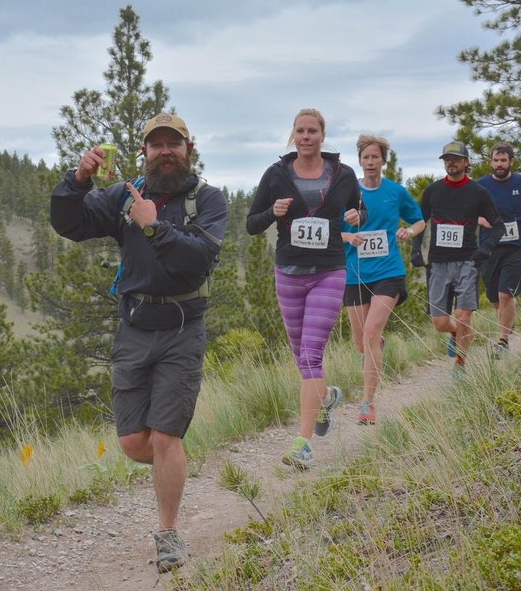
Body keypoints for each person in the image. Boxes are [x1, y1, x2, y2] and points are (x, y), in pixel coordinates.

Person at [50, 113, 228, 572]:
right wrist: (79, 178)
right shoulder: (124, 195)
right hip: (134, 326)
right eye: (156, 144)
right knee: (133, 443)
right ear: (144, 152)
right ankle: (175, 461)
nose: (165, 151)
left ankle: (168, 535)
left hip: (183, 328)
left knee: (166, 436)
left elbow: (200, 259)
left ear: (189, 149)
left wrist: (152, 227)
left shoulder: (208, 199)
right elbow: (68, 223)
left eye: (174, 143)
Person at [246, 108, 366, 469]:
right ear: (293, 135)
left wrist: (357, 216)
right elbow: (252, 223)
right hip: (288, 272)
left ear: (322, 135)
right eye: (300, 131)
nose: (306, 136)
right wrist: (274, 212)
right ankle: (327, 397)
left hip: (329, 271)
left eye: (312, 131)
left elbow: (361, 211)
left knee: (312, 355)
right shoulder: (276, 174)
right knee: (302, 357)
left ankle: (303, 444)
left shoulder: (343, 175)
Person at [341, 135, 424, 425]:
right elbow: (331, 232)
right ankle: (375, 346)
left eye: (376, 157)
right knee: (361, 342)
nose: (371, 162)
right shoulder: (349, 194)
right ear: (360, 161)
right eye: (366, 158)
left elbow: (419, 220)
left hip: (389, 272)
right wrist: (348, 235)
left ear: (383, 161)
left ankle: (367, 404)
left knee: (371, 334)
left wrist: (409, 232)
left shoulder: (396, 192)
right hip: (356, 274)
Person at [417, 141, 505, 374]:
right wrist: (416, 250)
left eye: (456, 159)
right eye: (447, 159)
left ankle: (460, 365)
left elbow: (498, 226)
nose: (451, 163)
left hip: (468, 261)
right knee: (440, 323)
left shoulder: (478, 192)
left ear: (466, 162)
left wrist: (485, 249)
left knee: (464, 315)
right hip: (438, 262)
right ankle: (454, 333)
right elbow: (419, 221)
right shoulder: (433, 191)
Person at [476, 142, 521, 357]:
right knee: (494, 297)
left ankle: (503, 341)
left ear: (511, 162)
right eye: (496, 160)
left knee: (506, 293)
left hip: (517, 246)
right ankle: (508, 319)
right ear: (490, 162)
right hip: (489, 246)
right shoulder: (481, 185)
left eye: (503, 160)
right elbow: (469, 211)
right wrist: (480, 220)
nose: (499, 164)